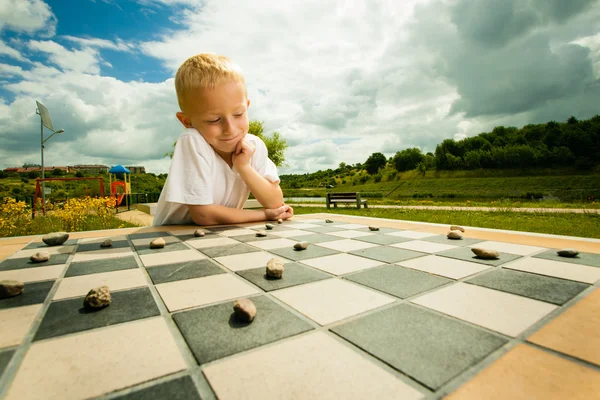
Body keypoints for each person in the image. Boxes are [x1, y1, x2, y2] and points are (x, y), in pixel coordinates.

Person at [152, 53, 293, 226]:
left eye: (238, 114)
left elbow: (275, 202)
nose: (230, 129)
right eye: (214, 120)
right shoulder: (192, 140)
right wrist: (264, 215)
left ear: (247, 106)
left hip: (217, 234)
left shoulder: (254, 146)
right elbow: (204, 216)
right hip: (171, 238)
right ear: (186, 121)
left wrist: (244, 167)